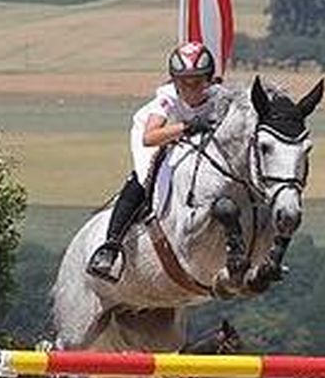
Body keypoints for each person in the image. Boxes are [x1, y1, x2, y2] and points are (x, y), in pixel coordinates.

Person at [87, 41, 224, 280]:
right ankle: (110, 247)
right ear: (174, 81)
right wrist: (187, 126)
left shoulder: (219, 98)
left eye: (197, 82)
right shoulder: (167, 98)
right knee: (144, 176)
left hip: (191, 141)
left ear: (210, 80)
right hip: (156, 137)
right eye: (183, 82)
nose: (190, 89)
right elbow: (150, 137)